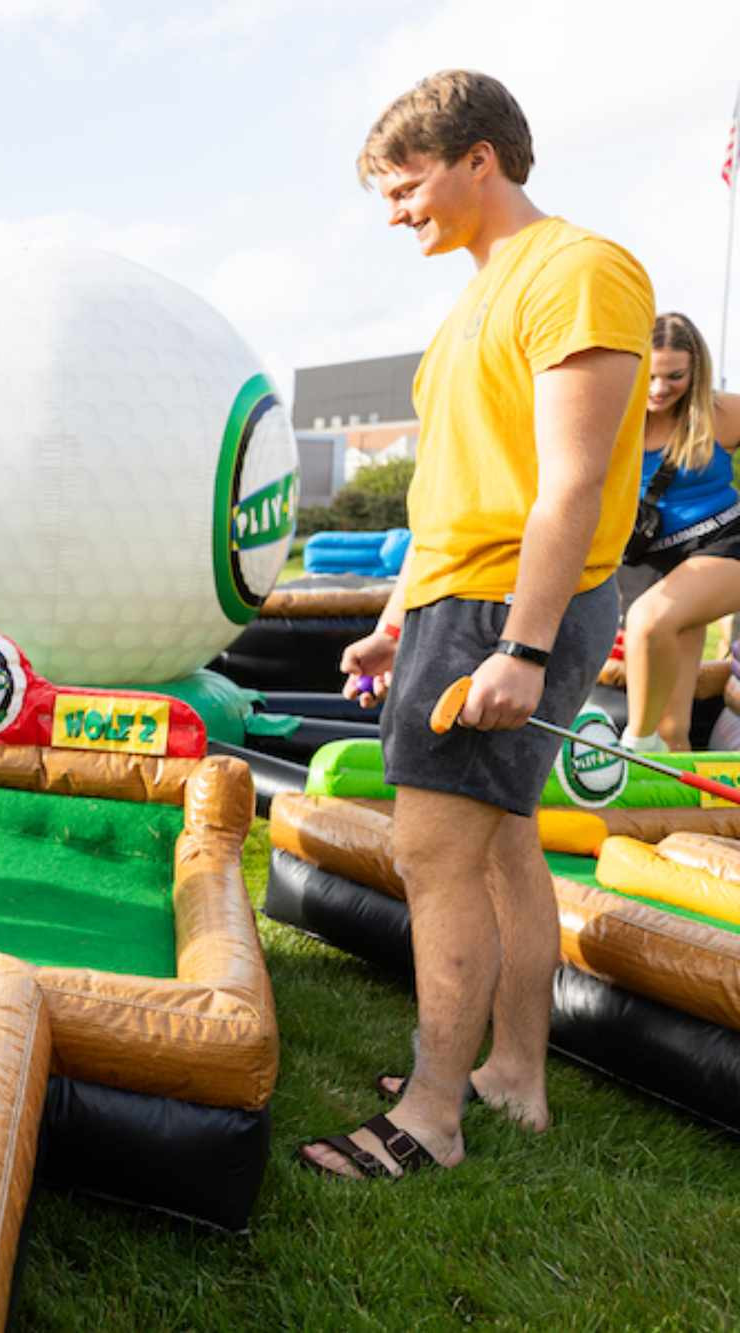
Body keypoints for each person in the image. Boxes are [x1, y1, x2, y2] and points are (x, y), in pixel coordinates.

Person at [309, 70, 653, 1181]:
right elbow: (450, 492)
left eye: (403, 185)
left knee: (431, 852)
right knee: (499, 843)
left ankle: (430, 1117)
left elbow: (567, 482)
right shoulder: (470, 301)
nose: (393, 210)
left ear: (478, 160)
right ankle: (509, 1076)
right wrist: (394, 620)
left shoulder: (577, 272)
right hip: (456, 602)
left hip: (510, 605)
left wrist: (521, 644)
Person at [617, 312, 740, 751]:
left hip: (722, 544)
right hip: (647, 563)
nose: (658, 389)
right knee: (673, 729)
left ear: (696, 370)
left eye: (675, 376)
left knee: (648, 622)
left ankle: (634, 744)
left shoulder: (721, 414)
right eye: (648, 375)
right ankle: (679, 811)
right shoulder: (610, 419)